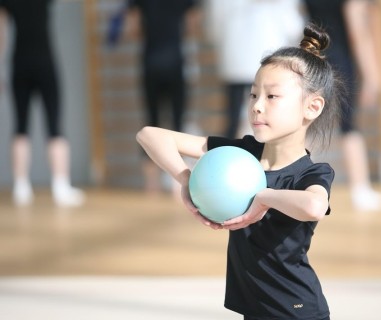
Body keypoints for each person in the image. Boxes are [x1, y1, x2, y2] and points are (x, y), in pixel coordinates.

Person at [137, 23, 342, 320]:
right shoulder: (242, 154)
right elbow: (150, 135)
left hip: (297, 312)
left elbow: (314, 206)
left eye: (271, 97)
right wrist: (186, 178)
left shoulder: (311, 174)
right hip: (254, 309)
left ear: (312, 107)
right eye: (253, 95)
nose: (257, 106)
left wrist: (263, 197)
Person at [303, 0, 381, 212]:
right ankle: (360, 190)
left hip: (313, 59)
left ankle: (283, 180)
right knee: (349, 126)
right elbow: (358, 33)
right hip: (339, 61)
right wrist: (371, 76)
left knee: (308, 125)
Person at [0, 0, 84, 207]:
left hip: (21, 64)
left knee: (21, 126)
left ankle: (23, 187)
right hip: (44, 64)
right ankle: (58, 186)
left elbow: (0, 33)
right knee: (53, 126)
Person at [121, 0, 200, 194]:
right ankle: (177, 184)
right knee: (178, 124)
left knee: (151, 121)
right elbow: (192, 25)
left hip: (151, 61)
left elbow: (132, 28)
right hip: (175, 60)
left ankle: (151, 185)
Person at [203, 0, 304, 139]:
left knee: (234, 119)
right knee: (271, 116)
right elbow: (293, 27)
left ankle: (230, 153)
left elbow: (214, 24)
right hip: (272, 57)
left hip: (235, 57)